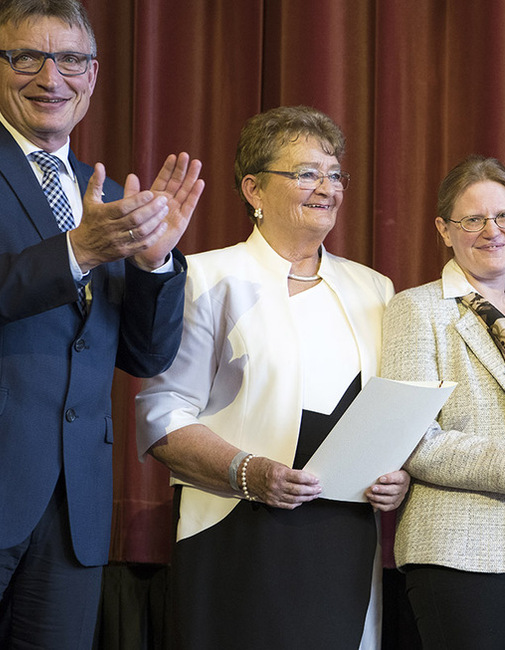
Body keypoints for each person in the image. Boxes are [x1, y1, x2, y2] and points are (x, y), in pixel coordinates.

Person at [0, 0, 204, 647]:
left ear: (93, 75)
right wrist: (77, 251)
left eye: (70, 59)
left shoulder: (97, 191)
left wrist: (155, 266)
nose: (52, 78)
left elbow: (145, 355)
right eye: (27, 57)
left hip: (75, 508)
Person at [135, 105, 408, 649]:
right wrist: (248, 471)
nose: (326, 188)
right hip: (234, 528)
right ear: (254, 190)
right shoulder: (206, 276)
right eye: (306, 173)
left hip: (343, 537)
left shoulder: (375, 289)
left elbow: (389, 412)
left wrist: (394, 475)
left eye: (334, 175)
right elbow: (161, 413)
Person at [380, 155, 505, 650]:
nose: (492, 231)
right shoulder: (417, 308)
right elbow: (411, 439)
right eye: (473, 219)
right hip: (458, 544)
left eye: (504, 216)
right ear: (444, 230)